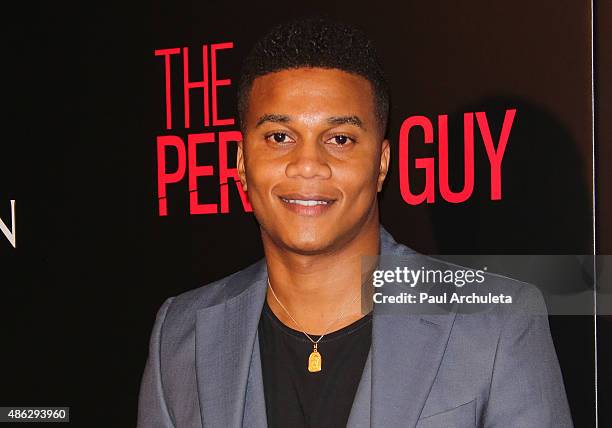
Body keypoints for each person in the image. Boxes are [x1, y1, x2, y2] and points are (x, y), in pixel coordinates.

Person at [137, 17, 572, 428]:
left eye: (340, 139)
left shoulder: (496, 322)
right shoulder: (181, 332)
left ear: (381, 163)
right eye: (279, 137)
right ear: (241, 163)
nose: (308, 165)